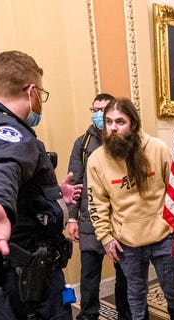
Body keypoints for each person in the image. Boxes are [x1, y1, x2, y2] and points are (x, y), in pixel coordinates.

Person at [0, 50, 81, 319]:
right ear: (32, 91)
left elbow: (11, 176)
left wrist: (55, 197)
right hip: (28, 283)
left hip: (8, 278)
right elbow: (0, 166)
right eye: (41, 94)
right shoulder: (5, 130)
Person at [86, 98, 174, 320]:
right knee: (135, 294)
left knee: (173, 291)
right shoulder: (96, 160)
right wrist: (105, 237)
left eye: (120, 122)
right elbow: (96, 202)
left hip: (163, 235)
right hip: (126, 241)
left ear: (133, 124)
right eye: (108, 122)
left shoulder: (157, 149)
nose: (113, 128)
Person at [66, 93, 133, 320]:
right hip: (89, 219)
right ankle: (88, 315)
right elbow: (74, 183)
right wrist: (72, 218)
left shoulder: (126, 142)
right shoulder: (82, 143)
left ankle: (125, 313)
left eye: (103, 110)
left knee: (125, 274)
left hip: (120, 219)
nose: (98, 114)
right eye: (94, 109)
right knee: (89, 276)